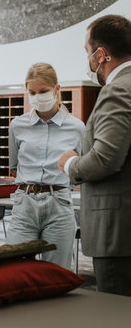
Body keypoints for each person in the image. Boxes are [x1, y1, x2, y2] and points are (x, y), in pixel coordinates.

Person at [58, 15, 131, 295]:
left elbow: (105, 159)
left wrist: (70, 163)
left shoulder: (118, 90)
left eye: (87, 53)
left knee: (117, 320)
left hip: (118, 235)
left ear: (101, 55)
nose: (88, 61)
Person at [6, 63, 85, 269]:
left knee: (57, 272)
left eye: (43, 91)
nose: (37, 96)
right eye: (32, 92)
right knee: (16, 269)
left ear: (57, 90)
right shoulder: (17, 125)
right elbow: (14, 166)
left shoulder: (77, 127)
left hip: (58, 203)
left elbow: (82, 168)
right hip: (25, 203)